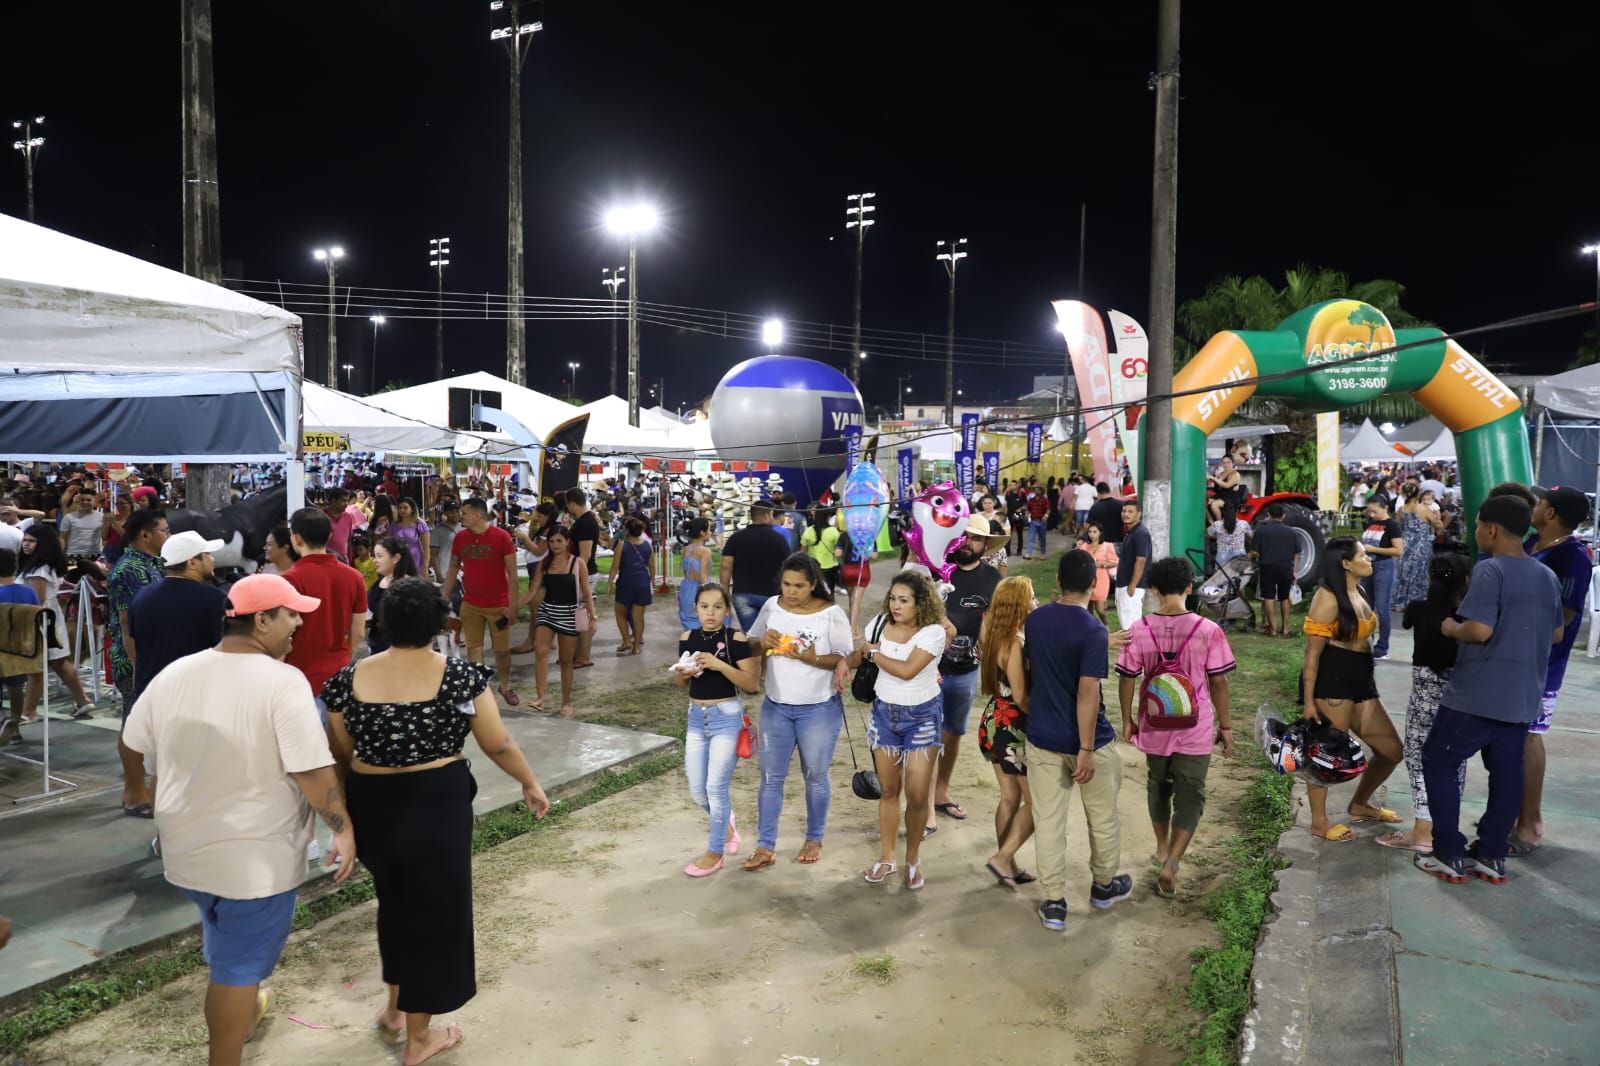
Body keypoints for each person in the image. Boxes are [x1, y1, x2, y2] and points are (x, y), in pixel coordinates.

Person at [122, 573, 356, 1066]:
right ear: (261, 619)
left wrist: (140, 789)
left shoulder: (177, 673)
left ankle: (244, 1012)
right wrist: (343, 828)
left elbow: (132, 738)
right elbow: (312, 772)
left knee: (224, 938)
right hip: (254, 861)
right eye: (290, 613)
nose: (297, 622)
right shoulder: (282, 682)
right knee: (236, 970)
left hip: (186, 850)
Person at [323, 577, 547, 1061]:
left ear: (384, 622)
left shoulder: (347, 681)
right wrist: (529, 781)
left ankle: (396, 1011)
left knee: (397, 905)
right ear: (438, 623)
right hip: (433, 803)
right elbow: (497, 743)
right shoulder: (461, 676)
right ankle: (420, 1039)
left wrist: (343, 822)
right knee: (433, 917)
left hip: (372, 801)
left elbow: (337, 757)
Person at [1416, 497, 1565, 885]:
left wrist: (1451, 628)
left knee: (1439, 760)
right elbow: (1557, 633)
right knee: (1506, 773)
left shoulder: (1490, 569)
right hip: (1522, 698)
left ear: (1492, 529)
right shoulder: (1544, 575)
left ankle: (1447, 852)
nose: (1478, 530)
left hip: (1477, 694)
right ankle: (1492, 854)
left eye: (1479, 524)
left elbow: (1478, 630)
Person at [1115, 557, 1235, 898]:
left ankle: (1162, 847)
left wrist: (1127, 718)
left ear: (1153, 589)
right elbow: (1219, 682)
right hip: (1195, 729)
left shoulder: (1139, 629)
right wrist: (1225, 726)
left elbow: (1126, 678)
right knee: (1191, 793)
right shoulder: (1208, 630)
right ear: (1189, 587)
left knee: (1158, 785)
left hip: (1154, 726)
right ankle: (1173, 861)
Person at [1026, 550, 1133, 928]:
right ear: (1094, 583)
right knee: (1102, 819)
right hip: (1091, 743)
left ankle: (1054, 901)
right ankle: (1103, 886)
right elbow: (1088, 693)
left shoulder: (1035, 621)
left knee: (1049, 821)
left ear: (1057, 580)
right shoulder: (1093, 630)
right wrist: (1085, 750)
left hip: (1041, 739)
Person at [742, 555, 852, 871]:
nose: (791, 592)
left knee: (815, 777)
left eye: (799, 586)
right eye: (786, 584)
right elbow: (751, 646)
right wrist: (762, 642)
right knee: (769, 778)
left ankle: (814, 838)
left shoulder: (830, 614)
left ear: (813, 584)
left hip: (819, 709)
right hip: (776, 707)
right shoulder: (772, 607)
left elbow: (843, 659)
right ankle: (765, 846)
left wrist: (811, 658)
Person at [841, 571, 945, 890]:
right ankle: (887, 857)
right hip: (884, 715)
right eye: (893, 599)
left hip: (922, 719)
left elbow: (907, 671)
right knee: (888, 791)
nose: (895, 606)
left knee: (915, 796)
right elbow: (858, 657)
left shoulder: (933, 632)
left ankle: (912, 859)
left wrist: (873, 653)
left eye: (904, 600)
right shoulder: (879, 624)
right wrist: (843, 663)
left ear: (920, 603)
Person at [1298, 537, 1405, 840]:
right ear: (1346, 563)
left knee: (1392, 751)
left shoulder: (1357, 589)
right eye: (1362, 554)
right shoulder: (1327, 598)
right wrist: (1308, 702)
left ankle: (1360, 803)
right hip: (1333, 683)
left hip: (1362, 683)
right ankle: (1319, 821)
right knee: (1326, 754)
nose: (1369, 557)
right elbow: (1311, 655)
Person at [1513, 485, 1593, 853]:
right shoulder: (1532, 543)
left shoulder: (1572, 556)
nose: (1537, 504)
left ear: (1551, 513)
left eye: (1542, 502)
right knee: (1515, 737)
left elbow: (1565, 614)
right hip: (1514, 658)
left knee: (1530, 736)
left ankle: (1529, 823)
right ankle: (1519, 815)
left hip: (1542, 663)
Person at [1377, 552, 1470, 853]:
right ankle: (1445, 828)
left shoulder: (1419, 609)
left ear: (1430, 578)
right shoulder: (1469, 620)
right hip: (1459, 704)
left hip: (1423, 704)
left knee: (1419, 761)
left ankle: (1422, 832)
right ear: (1465, 581)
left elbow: (1406, 622)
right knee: (1454, 763)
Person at [673, 582, 761, 877]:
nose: (711, 612)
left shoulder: (736, 638)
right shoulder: (688, 637)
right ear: (694, 608)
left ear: (727, 610)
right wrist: (684, 674)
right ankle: (727, 825)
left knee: (715, 788)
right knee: (698, 792)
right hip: (696, 719)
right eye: (704, 606)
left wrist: (718, 665)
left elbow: (751, 684)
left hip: (726, 719)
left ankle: (715, 852)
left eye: (718, 606)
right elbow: (681, 684)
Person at [930, 515, 1006, 825]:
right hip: (926, 670)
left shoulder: (992, 579)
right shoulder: (936, 570)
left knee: (953, 733)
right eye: (963, 536)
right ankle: (920, 800)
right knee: (926, 735)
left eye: (974, 538)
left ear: (985, 545)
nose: (967, 542)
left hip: (965, 672)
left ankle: (940, 791)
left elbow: (996, 628)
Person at [975, 575, 1038, 887]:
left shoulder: (992, 634)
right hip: (1014, 726)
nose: (1036, 602)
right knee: (1037, 802)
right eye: (1032, 597)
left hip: (994, 720)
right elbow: (1021, 695)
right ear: (1019, 605)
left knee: (1010, 797)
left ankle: (1007, 864)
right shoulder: (1013, 641)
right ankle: (1003, 858)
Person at [108, 508, 171, 816]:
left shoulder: (154, 564)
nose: (168, 536)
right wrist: (138, 668)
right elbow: (126, 623)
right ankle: (135, 793)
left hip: (152, 657)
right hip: (135, 660)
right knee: (134, 724)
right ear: (146, 535)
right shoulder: (129, 570)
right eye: (165, 531)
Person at [282, 507, 369, 720]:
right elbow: (357, 633)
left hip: (300, 676)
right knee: (338, 746)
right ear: (329, 536)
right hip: (339, 674)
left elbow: (281, 635)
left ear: (296, 538)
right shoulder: (354, 577)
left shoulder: (289, 580)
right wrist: (343, 659)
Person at [126, 531, 227, 703]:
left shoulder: (141, 596)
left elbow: (134, 643)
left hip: (149, 695)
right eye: (207, 555)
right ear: (192, 563)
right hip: (193, 698)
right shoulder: (215, 600)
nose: (212, 559)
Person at [442, 498, 525, 707]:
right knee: (473, 649)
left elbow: (513, 575)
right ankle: (479, 690)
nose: (461, 516)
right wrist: (444, 596)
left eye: (464, 512)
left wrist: (513, 605)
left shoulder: (501, 537)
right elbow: (453, 568)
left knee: (502, 650)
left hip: (499, 605)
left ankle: (504, 686)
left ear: (478, 514)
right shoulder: (460, 538)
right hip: (470, 603)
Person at [17, 524, 94, 719]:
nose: (26, 544)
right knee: (59, 662)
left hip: (39, 620)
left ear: (42, 544)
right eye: (25, 540)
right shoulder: (43, 565)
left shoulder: (38, 569)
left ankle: (28, 711)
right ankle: (82, 700)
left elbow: (37, 599)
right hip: (49, 618)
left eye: (31, 541)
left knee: (37, 666)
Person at [528, 528, 597, 716]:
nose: (555, 545)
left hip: (568, 613)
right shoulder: (544, 563)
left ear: (567, 542)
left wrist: (593, 617)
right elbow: (533, 589)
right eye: (551, 541)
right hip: (547, 611)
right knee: (541, 650)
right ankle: (540, 698)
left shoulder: (577, 563)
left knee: (566, 661)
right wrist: (515, 605)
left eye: (559, 541)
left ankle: (566, 702)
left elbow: (586, 592)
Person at [720, 502, 792, 633]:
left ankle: (753, 653)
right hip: (772, 594)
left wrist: (724, 590)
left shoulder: (735, 538)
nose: (772, 518)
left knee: (751, 635)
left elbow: (726, 566)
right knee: (772, 634)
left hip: (742, 594)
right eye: (771, 515)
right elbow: (788, 565)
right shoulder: (779, 539)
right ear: (766, 515)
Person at [0, 548, 42, 746]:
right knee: (15, 687)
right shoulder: (28, 592)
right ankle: (15, 724)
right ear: (15, 566)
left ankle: (1, 720)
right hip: (23, 654)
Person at [1357, 495, 1403, 659]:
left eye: (1374, 511)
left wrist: (1373, 549)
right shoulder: (1369, 524)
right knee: (1367, 607)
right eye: (1369, 511)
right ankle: (1367, 641)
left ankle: (1383, 647)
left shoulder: (1392, 525)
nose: (1371, 515)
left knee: (1382, 609)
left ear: (1385, 508)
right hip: (1368, 567)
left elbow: (1398, 550)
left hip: (1384, 566)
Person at [1250, 504, 1302, 638]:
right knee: (1284, 598)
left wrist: (1251, 556)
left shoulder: (1262, 530)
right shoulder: (1291, 532)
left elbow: (1254, 552)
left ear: (1269, 515)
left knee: (1269, 597)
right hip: (1286, 568)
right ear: (1283, 516)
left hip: (1267, 567)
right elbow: (1297, 553)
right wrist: (1294, 571)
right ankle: (1285, 628)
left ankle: (1272, 629)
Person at [564, 489, 603, 669]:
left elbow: (585, 554)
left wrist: (575, 574)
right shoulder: (584, 521)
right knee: (579, 615)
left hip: (584, 573)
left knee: (583, 616)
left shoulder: (586, 523)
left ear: (572, 503)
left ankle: (584, 656)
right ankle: (578, 654)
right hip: (581, 572)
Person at [607, 516, 655, 656]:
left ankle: (627, 640)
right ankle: (636, 646)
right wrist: (652, 581)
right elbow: (651, 566)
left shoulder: (623, 544)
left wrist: (610, 583)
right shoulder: (648, 545)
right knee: (638, 616)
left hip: (626, 581)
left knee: (620, 612)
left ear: (627, 530)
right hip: (643, 582)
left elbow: (615, 566)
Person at [366, 536, 419, 655]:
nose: (374, 560)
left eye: (379, 556)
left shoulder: (411, 586)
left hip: (404, 649)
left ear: (395, 558)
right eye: (374, 556)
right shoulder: (377, 584)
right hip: (377, 646)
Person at [1393, 482, 1442, 607]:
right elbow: (1438, 524)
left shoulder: (1401, 510)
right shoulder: (1423, 509)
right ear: (1418, 494)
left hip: (1406, 543)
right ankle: (1417, 600)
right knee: (1420, 571)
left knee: (1404, 571)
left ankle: (1401, 601)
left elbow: (1398, 526)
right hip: (1421, 544)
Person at [1114, 498, 1154, 627]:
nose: (1126, 514)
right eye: (1124, 511)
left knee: (1131, 625)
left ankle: (1134, 647)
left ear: (1139, 514)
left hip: (1131, 586)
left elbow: (1141, 560)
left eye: (1131, 511)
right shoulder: (1131, 532)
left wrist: (1132, 585)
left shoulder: (1141, 533)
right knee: (1125, 622)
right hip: (1124, 584)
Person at [1077, 521, 1118, 624]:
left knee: (1100, 609)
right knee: (1088, 609)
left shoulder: (1107, 546)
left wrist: (1101, 564)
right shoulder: (1084, 547)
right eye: (1090, 532)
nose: (1092, 534)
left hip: (1101, 580)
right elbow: (1079, 562)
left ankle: (1105, 626)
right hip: (1087, 580)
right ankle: (1091, 629)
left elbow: (1114, 562)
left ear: (1100, 533)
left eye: (1095, 532)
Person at [677, 518, 713, 632]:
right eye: (709, 530)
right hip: (699, 590)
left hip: (686, 589)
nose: (711, 532)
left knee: (690, 626)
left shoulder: (686, 549)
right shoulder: (705, 551)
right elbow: (703, 577)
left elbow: (685, 571)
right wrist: (713, 595)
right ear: (702, 533)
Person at [800, 507, 841, 597]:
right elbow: (837, 551)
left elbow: (803, 551)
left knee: (814, 593)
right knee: (829, 592)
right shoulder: (833, 532)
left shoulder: (808, 531)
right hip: (830, 567)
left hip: (813, 568)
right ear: (827, 517)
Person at [389, 497, 432, 578]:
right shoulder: (394, 525)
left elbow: (426, 547)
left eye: (405, 508)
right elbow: (390, 544)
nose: (402, 510)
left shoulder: (420, 524)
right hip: (398, 561)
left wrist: (425, 566)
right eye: (400, 508)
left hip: (415, 560)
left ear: (412, 509)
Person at [58, 490, 104, 560]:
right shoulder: (69, 517)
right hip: (73, 555)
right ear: (79, 501)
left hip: (95, 555)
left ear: (94, 501)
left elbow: (105, 537)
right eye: (82, 500)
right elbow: (62, 538)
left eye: (88, 500)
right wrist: (60, 555)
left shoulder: (101, 517)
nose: (85, 502)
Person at [1206, 500, 1252, 569]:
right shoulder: (1243, 524)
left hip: (1222, 560)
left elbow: (1207, 533)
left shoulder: (1217, 525)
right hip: (1239, 560)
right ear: (1236, 512)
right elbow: (1251, 535)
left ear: (1223, 512)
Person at [429, 499, 463, 587]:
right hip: (445, 573)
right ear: (445, 513)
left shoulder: (465, 528)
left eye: (457, 511)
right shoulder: (437, 530)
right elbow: (434, 554)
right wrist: (438, 574)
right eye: (451, 512)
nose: (455, 514)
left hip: (463, 573)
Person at [319, 488, 360, 560]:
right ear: (333, 500)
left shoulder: (348, 517)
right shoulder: (320, 516)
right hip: (325, 561)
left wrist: (349, 559)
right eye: (343, 500)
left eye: (347, 500)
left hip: (343, 561)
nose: (346, 504)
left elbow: (348, 541)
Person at [1206, 457, 1242, 524]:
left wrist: (1214, 478)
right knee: (1204, 503)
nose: (1226, 464)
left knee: (1214, 505)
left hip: (1230, 498)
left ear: (1233, 463)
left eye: (1228, 462)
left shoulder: (1235, 474)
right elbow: (1216, 485)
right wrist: (1210, 480)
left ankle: (1219, 525)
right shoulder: (1221, 473)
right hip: (1220, 496)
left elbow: (1226, 485)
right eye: (1224, 462)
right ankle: (1212, 523)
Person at [102, 494, 134, 567]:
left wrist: (114, 522)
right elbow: (104, 536)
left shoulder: (134, 519)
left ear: (130, 504)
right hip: (109, 549)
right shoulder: (114, 517)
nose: (120, 506)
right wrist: (106, 523)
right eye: (117, 504)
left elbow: (127, 537)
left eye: (123, 503)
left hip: (124, 550)